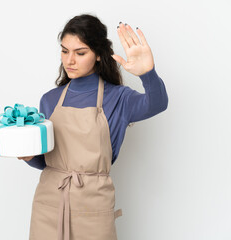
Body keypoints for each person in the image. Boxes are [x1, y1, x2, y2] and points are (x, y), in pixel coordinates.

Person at [18, 14, 168, 240]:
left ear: (98, 55)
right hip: (48, 206)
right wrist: (29, 157)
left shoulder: (118, 98)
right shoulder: (49, 100)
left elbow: (157, 104)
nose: (69, 60)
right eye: (64, 51)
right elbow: (49, 162)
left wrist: (148, 74)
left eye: (80, 53)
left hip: (93, 208)